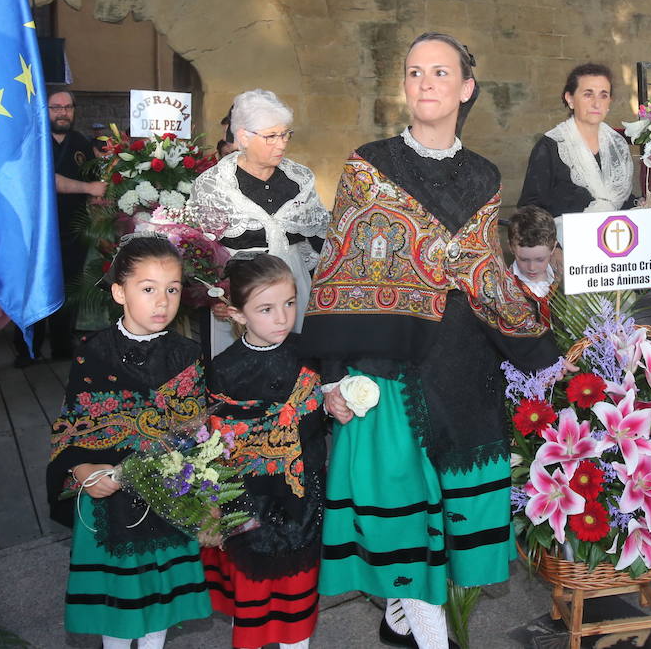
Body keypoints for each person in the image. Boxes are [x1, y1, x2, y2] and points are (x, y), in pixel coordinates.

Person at [300, 32, 560, 649]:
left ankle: (401, 614)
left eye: (439, 73)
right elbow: (342, 270)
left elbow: (482, 272)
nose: (425, 84)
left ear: (465, 89)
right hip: (386, 356)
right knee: (401, 491)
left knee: (448, 500)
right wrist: (333, 376)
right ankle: (427, 630)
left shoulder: (486, 174)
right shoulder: (370, 164)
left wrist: (539, 348)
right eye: (415, 73)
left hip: (464, 355)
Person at [46, 235, 212, 649]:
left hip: (167, 494)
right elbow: (75, 422)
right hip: (107, 498)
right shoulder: (93, 352)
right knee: (117, 600)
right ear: (120, 292)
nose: (162, 301)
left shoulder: (187, 354)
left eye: (172, 290)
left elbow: (192, 430)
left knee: (159, 596)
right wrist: (82, 468)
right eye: (149, 289)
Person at [203, 254, 326, 649]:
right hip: (249, 503)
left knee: (298, 602)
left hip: (304, 496)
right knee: (253, 601)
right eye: (266, 309)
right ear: (237, 314)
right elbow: (217, 446)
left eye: (289, 303)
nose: (282, 318)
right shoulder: (224, 370)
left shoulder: (310, 353)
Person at [189, 89, 327, 354]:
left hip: (292, 291)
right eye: (271, 136)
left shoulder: (300, 179)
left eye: (286, 133)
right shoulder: (213, 184)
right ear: (243, 137)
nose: (282, 143)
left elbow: (320, 239)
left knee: (297, 366)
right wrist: (213, 295)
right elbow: (198, 253)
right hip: (237, 298)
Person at [19, 89, 108, 366]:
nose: (62, 112)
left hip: (72, 231)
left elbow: (96, 181)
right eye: (56, 107)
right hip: (36, 233)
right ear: (43, 110)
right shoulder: (31, 141)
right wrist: (88, 187)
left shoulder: (80, 142)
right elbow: (46, 179)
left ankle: (61, 345)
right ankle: (27, 349)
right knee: (32, 289)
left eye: (68, 107)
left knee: (67, 288)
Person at [518, 63, 635, 229]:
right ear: (570, 99)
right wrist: (554, 248)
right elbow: (530, 209)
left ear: (610, 102)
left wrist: (645, 204)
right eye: (588, 94)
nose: (596, 103)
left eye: (603, 95)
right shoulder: (551, 146)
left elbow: (622, 198)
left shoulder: (617, 145)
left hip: (615, 242)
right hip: (562, 247)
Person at [507, 205, 558, 304]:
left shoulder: (562, 281)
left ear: (553, 248)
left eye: (540, 260)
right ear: (511, 247)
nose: (532, 267)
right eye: (523, 259)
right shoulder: (506, 287)